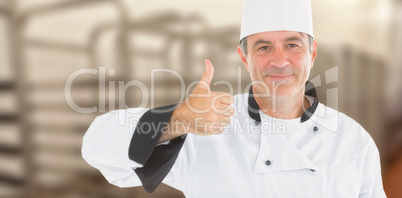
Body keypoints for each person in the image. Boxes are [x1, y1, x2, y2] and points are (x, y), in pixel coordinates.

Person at [82, 0, 386, 197]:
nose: (280, 61)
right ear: (244, 56)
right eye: (263, 47)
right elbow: (97, 147)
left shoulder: (352, 140)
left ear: (312, 51)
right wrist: (179, 119)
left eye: (292, 44)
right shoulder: (207, 126)